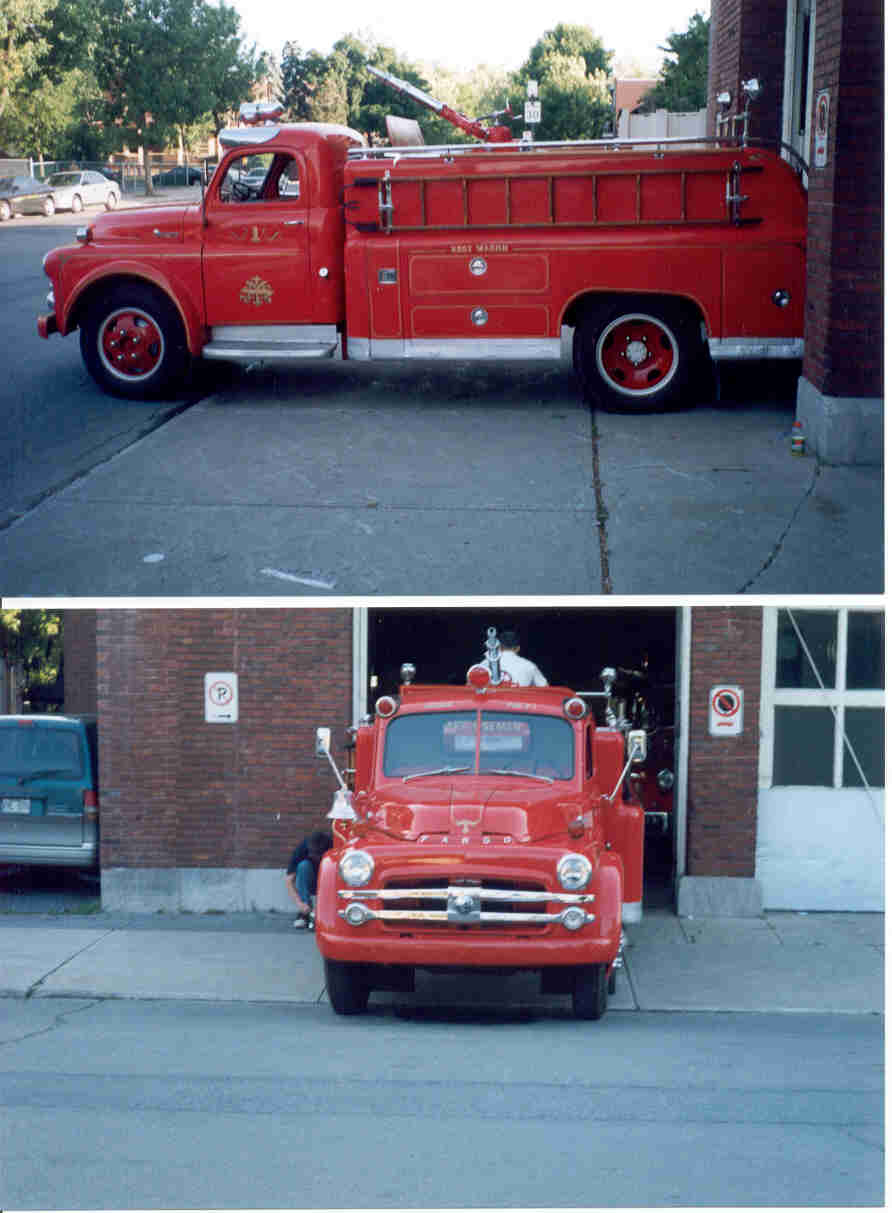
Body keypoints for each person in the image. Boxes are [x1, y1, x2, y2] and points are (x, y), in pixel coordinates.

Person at [285, 829, 332, 929]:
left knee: (332, 867)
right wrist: (300, 903)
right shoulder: (303, 848)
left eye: (317, 855)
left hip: (329, 880)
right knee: (303, 866)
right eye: (312, 854)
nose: (313, 857)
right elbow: (289, 880)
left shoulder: (333, 847)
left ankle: (328, 913)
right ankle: (305, 913)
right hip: (312, 880)